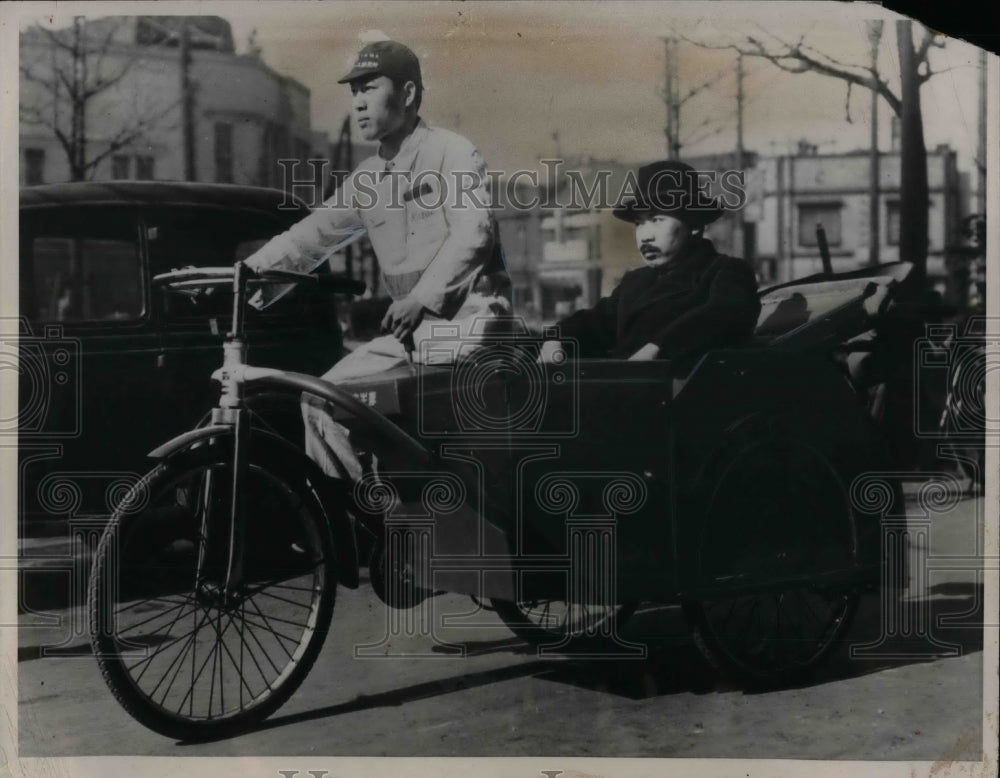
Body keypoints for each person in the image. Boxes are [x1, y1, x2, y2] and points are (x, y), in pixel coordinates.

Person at [243, 40, 511, 481]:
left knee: (378, 414)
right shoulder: (367, 178)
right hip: (415, 337)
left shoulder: (452, 152)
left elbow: (473, 233)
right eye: (354, 92)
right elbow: (309, 238)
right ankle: (351, 526)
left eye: (370, 88)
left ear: (407, 94)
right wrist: (245, 274)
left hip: (471, 328)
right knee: (319, 401)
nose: (359, 102)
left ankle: (378, 526)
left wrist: (424, 298)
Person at [539, 160, 760, 367]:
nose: (645, 236)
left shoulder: (725, 271)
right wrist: (557, 338)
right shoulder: (635, 282)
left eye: (656, 220)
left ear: (694, 224)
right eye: (639, 223)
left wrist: (659, 348)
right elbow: (593, 322)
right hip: (623, 392)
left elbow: (724, 315)